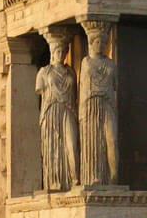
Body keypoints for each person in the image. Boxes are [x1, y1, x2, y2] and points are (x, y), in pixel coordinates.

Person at [35, 34, 79, 191]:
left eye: (64, 51)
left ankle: (75, 180)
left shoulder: (71, 72)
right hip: (51, 110)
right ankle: (55, 182)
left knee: (71, 145)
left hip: (68, 110)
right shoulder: (44, 73)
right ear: (52, 53)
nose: (61, 54)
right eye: (58, 51)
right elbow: (40, 90)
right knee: (53, 146)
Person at [79, 22, 118, 185]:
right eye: (98, 42)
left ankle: (114, 177)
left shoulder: (110, 64)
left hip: (107, 104)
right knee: (93, 141)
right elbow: (83, 87)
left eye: (104, 42)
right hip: (91, 105)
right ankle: (94, 177)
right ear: (91, 42)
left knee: (112, 139)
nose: (101, 45)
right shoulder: (86, 62)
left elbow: (115, 86)